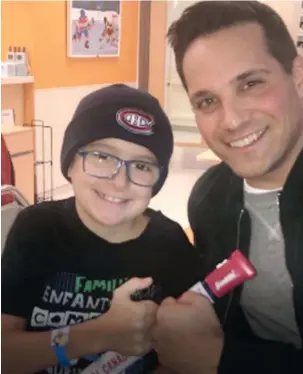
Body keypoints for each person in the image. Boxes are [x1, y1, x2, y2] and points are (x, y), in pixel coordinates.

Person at [152, 1, 303, 373]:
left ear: (299, 76)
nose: (232, 120)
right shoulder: (210, 200)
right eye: (208, 101)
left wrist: (220, 360)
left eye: (250, 83)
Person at [1, 84, 202, 374]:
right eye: (103, 157)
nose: (120, 182)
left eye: (142, 166)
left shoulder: (170, 244)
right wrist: (98, 334)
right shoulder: (37, 230)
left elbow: (187, 356)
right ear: (70, 164)